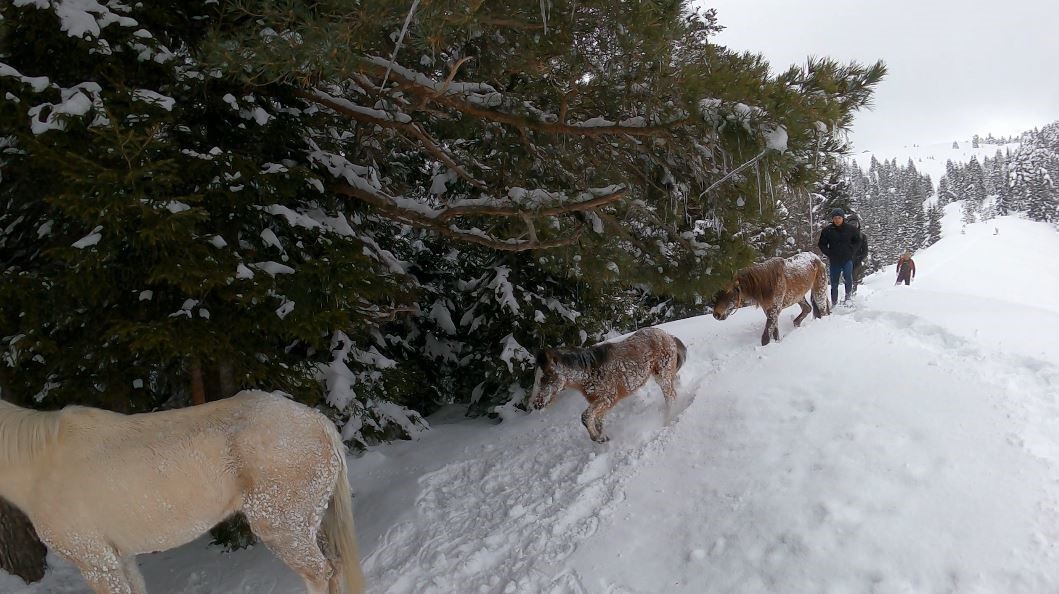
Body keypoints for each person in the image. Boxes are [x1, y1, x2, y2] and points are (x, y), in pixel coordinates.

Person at [817, 207, 862, 305]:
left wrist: (852, 250)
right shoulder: (827, 230)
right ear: (832, 219)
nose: (837, 220)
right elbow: (821, 244)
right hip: (834, 260)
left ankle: (848, 298)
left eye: (839, 218)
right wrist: (829, 253)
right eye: (835, 218)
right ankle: (834, 301)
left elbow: (858, 241)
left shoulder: (851, 229)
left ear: (843, 218)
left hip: (847, 259)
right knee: (834, 282)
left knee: (848, 278)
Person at [846, 213, 869, 296]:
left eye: (855, 224)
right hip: (846, 261)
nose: (853, 226)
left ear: (858, 224)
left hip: (857, 262)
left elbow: (865, 251)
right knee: (847, 279)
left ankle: (852, 296)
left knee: (854, 280)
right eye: (851, 224)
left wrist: (859, 259)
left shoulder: (862, 236)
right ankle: (847, 296)